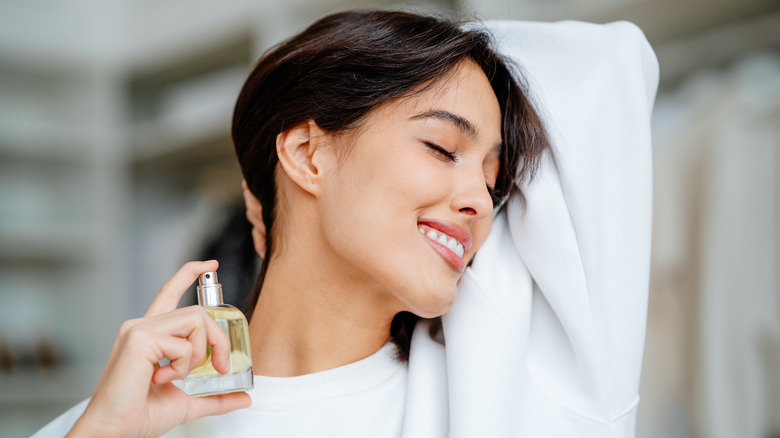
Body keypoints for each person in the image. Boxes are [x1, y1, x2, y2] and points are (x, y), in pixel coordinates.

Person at [33, 9, 658, 438]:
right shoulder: (111, 422)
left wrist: (453, 46)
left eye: (494, 184)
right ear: (307, 155)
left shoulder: (502, 396)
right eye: (443, 149)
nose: (478, 202)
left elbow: (611, 66)